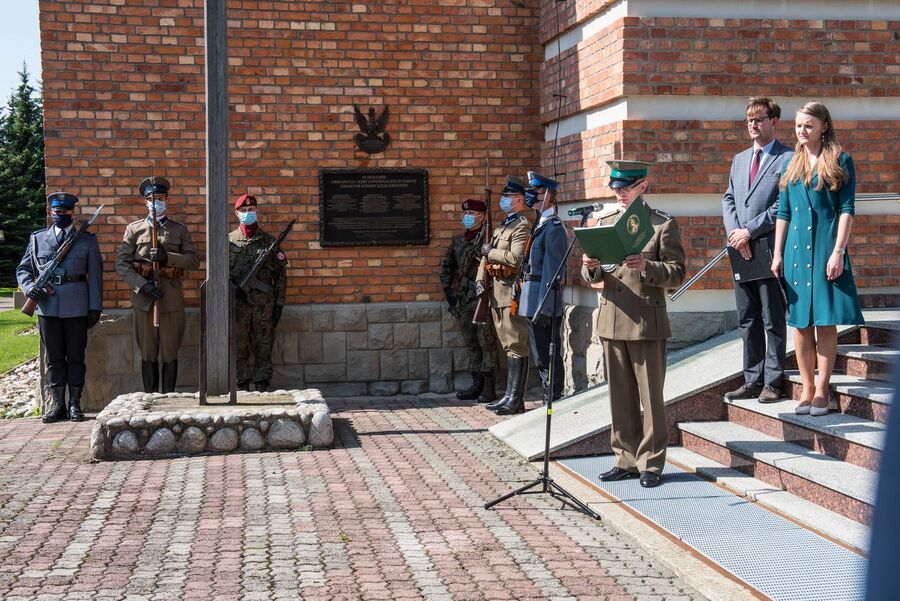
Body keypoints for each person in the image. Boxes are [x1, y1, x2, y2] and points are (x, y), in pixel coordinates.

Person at [581, 160, 686, 488]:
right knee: (620, 396)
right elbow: (592, 276)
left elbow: (677, 273)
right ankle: (625, 458)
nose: (620, 193)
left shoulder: (661, 224)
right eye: (616, 188)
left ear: (644, 186)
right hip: (612, 319)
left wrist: (646, 267)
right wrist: (590, 266)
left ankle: (650, 463)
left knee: (650, 398)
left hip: (645, 321)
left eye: (626, 187)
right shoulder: (605, 222)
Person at [771, 101, 864, 416]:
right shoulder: (790, 164)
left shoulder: (841, 160)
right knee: (800, 324)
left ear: (824, 126)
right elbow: (783, 212)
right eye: (798, 125)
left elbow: (847, 210)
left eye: (808, 125)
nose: (802, 130)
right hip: (796, 251)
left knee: (824, 321)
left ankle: (823, 389)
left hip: (826, 248)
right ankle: (806, 388)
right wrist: (778, 253)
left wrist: (838, 251)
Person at [722, 97, 794, 403]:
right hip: (740, 250)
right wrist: (735, 234)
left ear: (773, 121)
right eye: (749, 119)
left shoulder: (788, 158)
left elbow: (782, 205)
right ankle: (752, 379)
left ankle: (773, 382)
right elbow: (728, 198)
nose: (753, 124)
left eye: (759, 119)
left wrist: (749, 232)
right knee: (747, 318)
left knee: (772, 319)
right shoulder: (739, 160)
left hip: (768, 249)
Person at [16, 192, 103, 423]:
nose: (60, 215)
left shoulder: (86, 240)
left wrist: (95, 306)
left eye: (65, 211)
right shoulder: (37, 239)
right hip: (47, 306)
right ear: (50, 212)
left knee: (75, 356)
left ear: (73, 213)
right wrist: (29, 288)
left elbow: (96, 276)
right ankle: (57, 405)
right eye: (56, 211)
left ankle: (74, 404)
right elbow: (23, 269)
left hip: (77, 306)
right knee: (53, 358)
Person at [115, 177, 200, 393]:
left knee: (170, 352)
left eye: (160, 198)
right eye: (151, 199)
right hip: (144, 300)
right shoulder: (134, 229)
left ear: (167, 199)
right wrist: (141, 286)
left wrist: (167, 257)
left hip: (171, 300)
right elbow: (122, 264)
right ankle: (150, 397)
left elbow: (193, 261)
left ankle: (168, 398)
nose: (156, 203)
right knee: (148, 352)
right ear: (145, 202)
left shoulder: (179, 230)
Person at [476, 175, 531, 415]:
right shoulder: (502, 225)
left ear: (519, 200)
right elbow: (485, 256)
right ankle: (508, 396)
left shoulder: (521, 225)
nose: (504, 200)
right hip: (496, 293)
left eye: (509, 196)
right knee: (507, 346)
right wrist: (480, 280)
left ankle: (516, 399)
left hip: (510, 293)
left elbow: (515, 259)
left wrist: (491, 252)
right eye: (504, 196)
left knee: (516, 345)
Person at [440, 198, 500, 403]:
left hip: (483, 298)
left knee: (487, 342)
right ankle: (476, 384)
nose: (467, 217)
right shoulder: (458, 242)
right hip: (464, 299)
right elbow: (447, 268)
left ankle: (489, 386)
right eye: (465, 213)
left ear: (482, 217)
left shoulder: (489, 241)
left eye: (472, 214)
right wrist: (449, 292)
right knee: (471, 343)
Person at [228, 193, 288, 392]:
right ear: (237, 213)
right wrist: (232, 292)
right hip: (238, 305)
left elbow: (281, 275)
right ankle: (242, 385)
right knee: (239, 345)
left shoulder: (269, 242)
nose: (248, 213)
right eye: (244, 210)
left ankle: (262, 385)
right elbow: (219, 273)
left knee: (264, 344)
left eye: (251, 210)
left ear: (256, 211)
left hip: (264, 305)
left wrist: (279, 303)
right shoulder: (228, 241)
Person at [519, 171, 568, 405]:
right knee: (539, 352)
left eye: (535, 192)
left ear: (548, 195)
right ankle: (546, 393)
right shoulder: (540, 224)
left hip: (543, 300)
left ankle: (553, 396)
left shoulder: (554, 227)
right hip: (533, 297)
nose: (530, 196)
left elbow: (553, 271)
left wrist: (545, 307)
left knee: (548, 352)